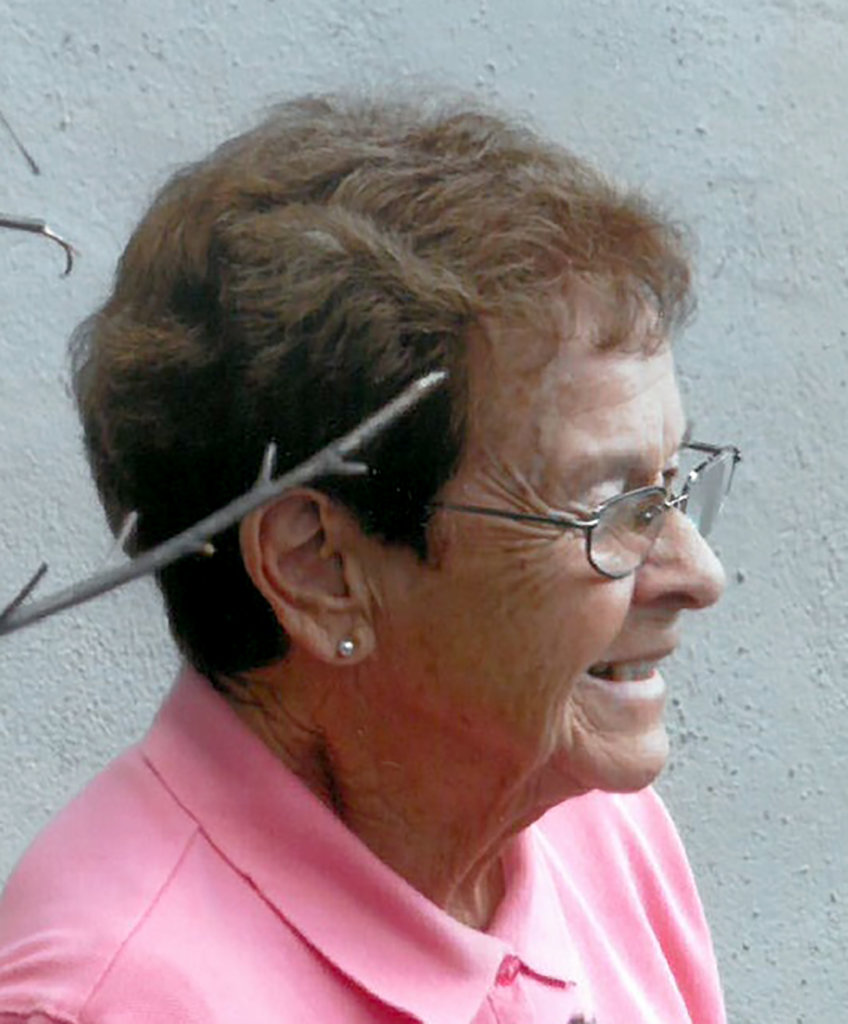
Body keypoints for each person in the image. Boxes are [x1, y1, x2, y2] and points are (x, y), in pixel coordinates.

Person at [0, 92, 740, 1023]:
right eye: (613, 506)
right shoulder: (114, 997)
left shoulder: (593, 830)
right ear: (321, 570)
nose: (698, 573)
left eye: (671, 484)